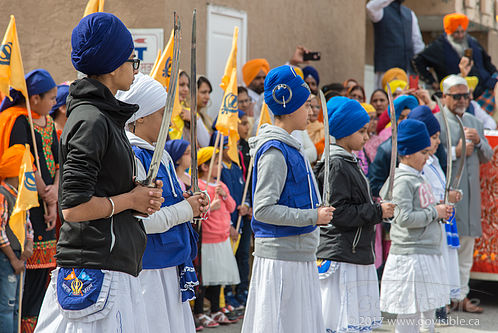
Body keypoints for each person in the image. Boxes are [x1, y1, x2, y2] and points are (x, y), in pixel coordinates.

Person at [34, 13, 164, 332]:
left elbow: (102, 186)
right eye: (131, 59)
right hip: (94, 268)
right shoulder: (91, 120)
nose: (135, 67)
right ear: (113, 66)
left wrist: (137, 193)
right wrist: (130, 199)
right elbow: (74, 207)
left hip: (109, 263)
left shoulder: (103, 116)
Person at [241, 65, 335, 333]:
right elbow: (263, 210)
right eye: (306, 105)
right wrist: (312, 217)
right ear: (290, 106)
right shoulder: (274, 151)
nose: (310, 111)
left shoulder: (292, 146)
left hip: (297, 256)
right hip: (281, 261)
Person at [117, 73, 207, 333]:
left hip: (171, 262)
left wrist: (191, 203)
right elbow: (143, 221)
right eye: (161, 114)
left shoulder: (162, 155)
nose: (168, 121)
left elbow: (172, 202)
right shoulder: (132, 156)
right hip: (149, 268)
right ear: (140, 116)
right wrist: (185, 210)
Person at [314, 98, 395, 333]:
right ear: (344, 131)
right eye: (361, 131)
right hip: (342, 253)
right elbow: (337, 213)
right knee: (340, 321)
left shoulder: (349, 160)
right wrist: (377, 211)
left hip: (352, 251)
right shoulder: (337, 164)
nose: (367, 137)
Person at [380, 119, 454, 333]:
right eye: (423, 152)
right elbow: (403, 218)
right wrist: (434, 213)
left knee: (427, 313)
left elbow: (421, 210)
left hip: (425, 252)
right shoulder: (403, 180)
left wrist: (438, 212)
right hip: (411, 256)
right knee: (408, 315)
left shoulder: (418, 177)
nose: (428, 156)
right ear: (408, 153)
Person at [0, 68, 59, 332]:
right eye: (51, 98)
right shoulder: (18, 121)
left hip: (47, 205)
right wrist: (44, 192)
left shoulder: (46, 125)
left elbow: (57, 162)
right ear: (34, 98)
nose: (54, 104)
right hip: (27, 204)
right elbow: (25, 161)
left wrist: (54, 196)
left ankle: (34, 323)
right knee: (26, 278)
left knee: (42, 276)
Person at [435, 75, 493, 313]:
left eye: (466, 95)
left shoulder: (473, 121)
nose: (462, 100)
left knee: (466, 249)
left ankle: (462, 296)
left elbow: (487, 156)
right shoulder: (436, 122)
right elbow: (430, 157)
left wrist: (479, 141)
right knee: (446, 248)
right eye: (456, 96)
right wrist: (455, 151)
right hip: (446, 196)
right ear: (445, 97)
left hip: (470, 198)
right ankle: (444, 298)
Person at [409, 105, 463, 323]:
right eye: (433, 137)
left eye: (438, 136)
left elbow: (440, 189)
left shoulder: (433, 161)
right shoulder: (416, 166)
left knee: (442, 269)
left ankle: (438, 309)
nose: (438, 142)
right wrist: (440, 204)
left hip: (441, 222)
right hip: (427, 226)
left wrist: (449, 196)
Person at [413, 13, 498, 114]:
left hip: (484, 89)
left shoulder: (472, 41)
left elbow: (487, 61)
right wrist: (432, 82)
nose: (460, 35)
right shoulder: (437, 47)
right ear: (449, 31)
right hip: (457, 95)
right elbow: (417, 61)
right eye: (456, 32)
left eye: (462, 32)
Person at [194, 147, 240, 327]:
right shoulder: (199, 185)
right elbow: (198, 211)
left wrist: (225, 195)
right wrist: (209, 207)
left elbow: (231, 207)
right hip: (207, 239)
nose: (220, 167)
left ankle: (215, 309)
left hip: (222, 238)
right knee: (204, 278)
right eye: (216, 163)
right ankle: (199, 311)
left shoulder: (221, 185)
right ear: (204, 166)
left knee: (218, 277)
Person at [0, 145, 35, 333]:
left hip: (19, 257)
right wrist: (13, 259)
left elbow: (28, 224)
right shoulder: (3, 195)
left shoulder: (21, 196)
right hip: (8, 258)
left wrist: (29, 244)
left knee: (15, 308)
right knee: (6, 306)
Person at [368, 95, 419, 197]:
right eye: (401, 117)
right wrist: (399, 189)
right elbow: (374, 185)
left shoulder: (424, 145)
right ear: (394, 120)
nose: (405, 120)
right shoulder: (386, 149)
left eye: (409, 117)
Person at [366, 0, 425, 89]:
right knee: (384, 99)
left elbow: (417, 43)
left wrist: (422, 67)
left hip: (407, 71)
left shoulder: (410, 14)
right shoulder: (381, 10)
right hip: (386, 69)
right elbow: (370, 7)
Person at [242, 59, 270, 135]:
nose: (262, 81)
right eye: (258, 78)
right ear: (249, 79)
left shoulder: (268, 97)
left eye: (264, 78)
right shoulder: (242, 97)